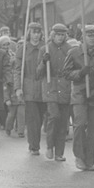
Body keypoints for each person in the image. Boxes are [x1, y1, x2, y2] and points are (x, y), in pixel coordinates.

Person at [62, 24, 94, 171]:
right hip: (79, 93)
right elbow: (66, 73)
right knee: (79, 124)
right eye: (89, 35)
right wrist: (80, 73)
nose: (92, 38)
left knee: (93, 128)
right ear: (82, 37)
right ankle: (79, 156)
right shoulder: (74, 53)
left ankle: (89, 160)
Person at [38, 23, 72, 161]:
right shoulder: (45, 49)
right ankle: (49, 146)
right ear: (53, 35)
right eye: (58, 34)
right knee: (54, 116)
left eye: (62, 35)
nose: (60, 37)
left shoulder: (69, 50)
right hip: (50, 86)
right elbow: (38, 73)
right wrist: (43, 62)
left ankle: (59, 152)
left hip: (64, 86)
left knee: (63, 121)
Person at [15, 22, 47, 155]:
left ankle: (34, 141)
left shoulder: (46, 48)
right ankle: (34, 145)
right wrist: (18, 87)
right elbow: (17, 70)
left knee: (40, 117)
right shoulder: (23, 48)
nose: (36, 35)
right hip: (28, 86)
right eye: (33, 32)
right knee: (33, 118)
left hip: (44, 86)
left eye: (38, 32)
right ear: (29, 33)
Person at [1, 36, 25, 138]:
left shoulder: (23, 77)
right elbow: (6, 87)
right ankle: (8, 128)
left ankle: (20, 131)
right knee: (11, 115)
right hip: (12, 97)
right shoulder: (9, 77)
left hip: (21, 98)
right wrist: (7, 99)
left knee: (21, 115)